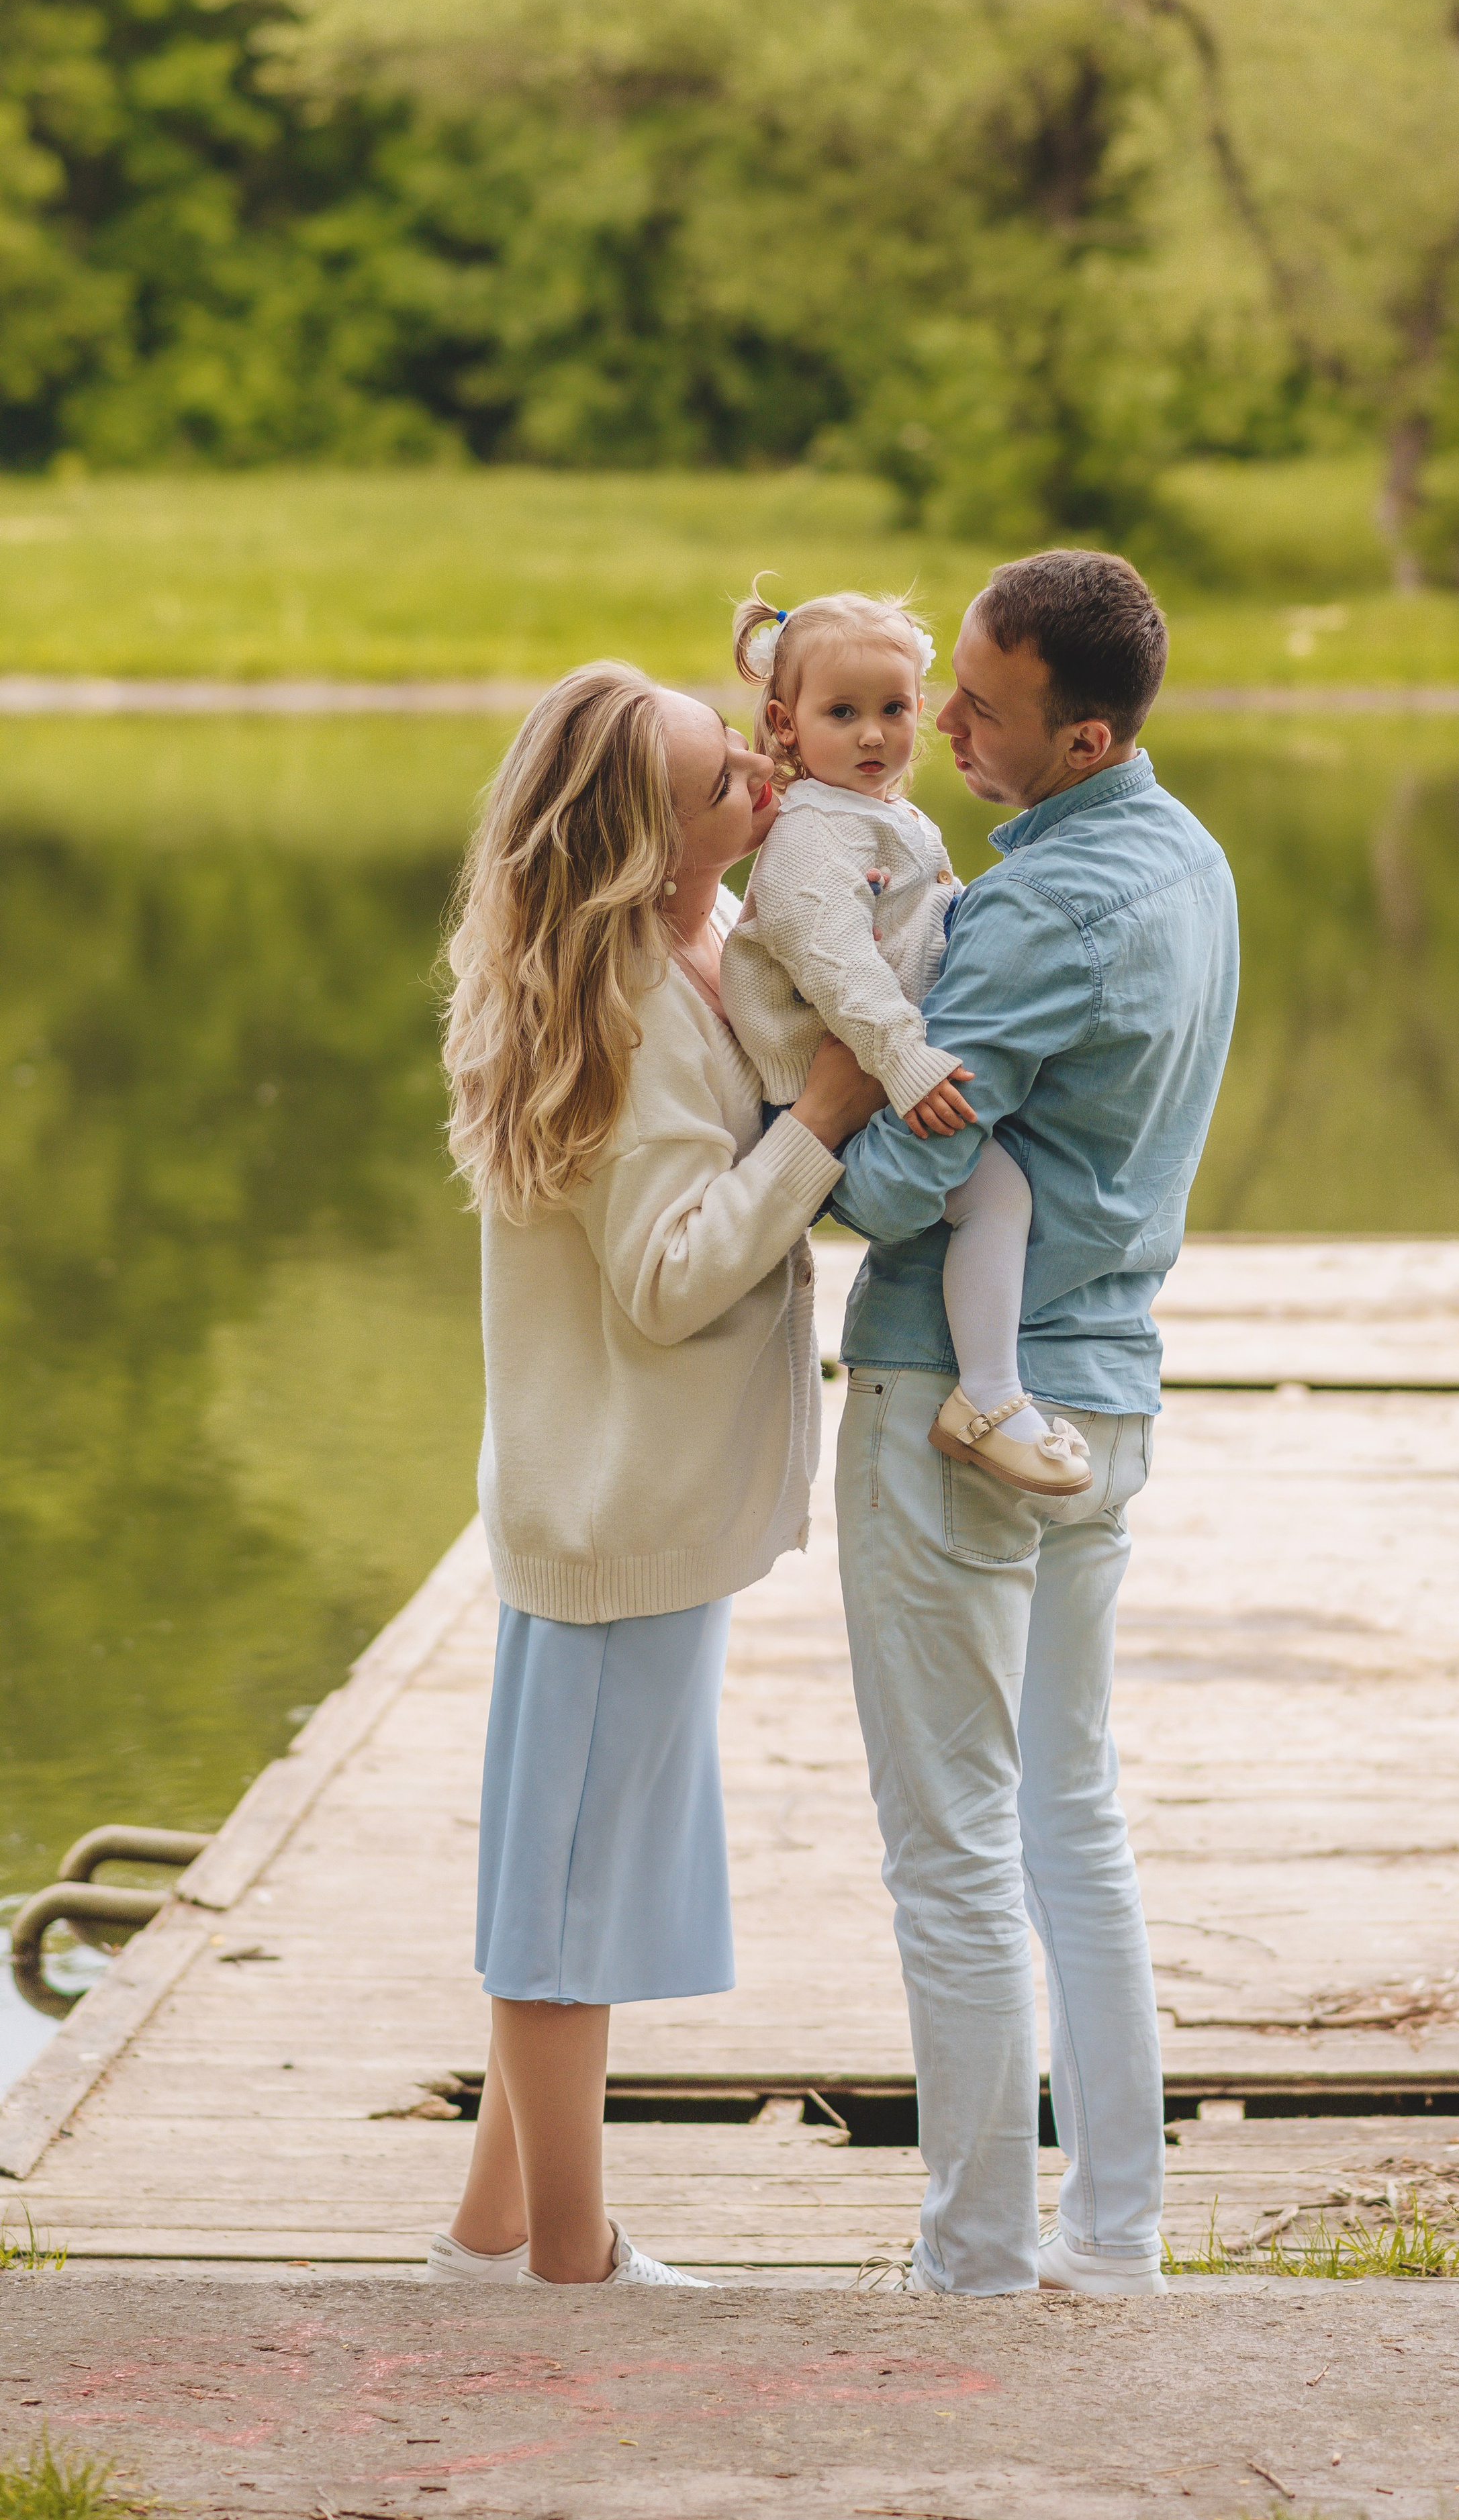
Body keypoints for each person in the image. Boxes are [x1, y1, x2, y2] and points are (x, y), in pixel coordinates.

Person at [430, 661, 880, 2291]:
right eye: (722, 782)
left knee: (570, 1868)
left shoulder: (706, 940)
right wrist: (816, 1122)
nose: (762, 779)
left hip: (645, 1505)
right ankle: (570, 2265)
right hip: (608, 1517)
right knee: (565, 1913)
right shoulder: (620, 998)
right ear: (645, 844)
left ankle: (487, 2232)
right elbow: (669, 1275)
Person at [829, 549, 1239, 2297]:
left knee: (955, 1849)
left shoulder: (1039, 911)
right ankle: (1114, 2237)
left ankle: (978, 2260)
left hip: (962, 1410)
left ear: (1084, 736)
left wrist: (781, 1130)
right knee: (1071, 1817)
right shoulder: (1188, 857)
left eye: (982, 709)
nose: (942, 726)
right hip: (1109, 1392)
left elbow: (899, 1179)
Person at [720, 584, 1092, 1499]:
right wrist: (902, 1058)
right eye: (842, 714)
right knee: (996, 1196)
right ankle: (989, 1396)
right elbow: (837, 964)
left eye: (892, 710)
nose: (873, 735)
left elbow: (926, 911)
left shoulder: (882, 814)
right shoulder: (810, 836)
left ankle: (999, 1377)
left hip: (881, 1064)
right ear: (786, 724)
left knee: (1005, 1190)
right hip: (830, 1083)